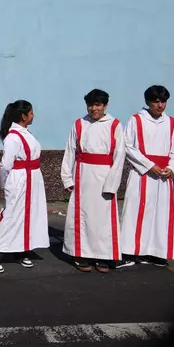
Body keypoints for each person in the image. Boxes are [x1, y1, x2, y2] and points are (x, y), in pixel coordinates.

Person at [61, 89, 125, 273]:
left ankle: (103, 256)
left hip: (105, 176)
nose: (94, 108)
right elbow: (70, 151)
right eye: (91, 105)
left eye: (98, 105)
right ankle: (80, 254)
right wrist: (67, 178)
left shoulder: (115, 125)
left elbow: (119, 156)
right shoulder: (80, 124)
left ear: (105, 105)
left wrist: (112, 184)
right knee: (82, 217)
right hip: (83, 176)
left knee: (103, 219)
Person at [119, 85, 174, 268]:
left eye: (163, 102)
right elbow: (129, 146)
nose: (160, 105)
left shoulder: (171, 123)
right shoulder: (136, 120)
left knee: (160, 214)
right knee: (135, 212)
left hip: (163, 176)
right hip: (142, 174)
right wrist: (149, 165)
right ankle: (129, 252)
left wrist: (172, 167)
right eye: (156, 102)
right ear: (148, 102)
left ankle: (155, 252)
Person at [0, 100, 49, 273]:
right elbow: (5, 165)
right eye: (31, 112)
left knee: (29, 216)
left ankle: (22, 251)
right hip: (19, 181)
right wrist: (5, 184)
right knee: (11, 216)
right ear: (23, 116)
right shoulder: (13, 137)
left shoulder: (25, 133)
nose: (33, 115)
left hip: (33, 180)